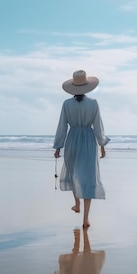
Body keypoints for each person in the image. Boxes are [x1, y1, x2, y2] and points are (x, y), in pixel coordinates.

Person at [54, 70, 110, 229]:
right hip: (88, 140)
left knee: (73, 173)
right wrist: (102, 145)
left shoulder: (66, 104)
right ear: (87, 87)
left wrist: (58, 146)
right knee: (88, 177)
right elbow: (98, 126)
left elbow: (62, 126)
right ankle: (86, 218)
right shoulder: (93, 104)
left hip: (72, 139)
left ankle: (76, 203)